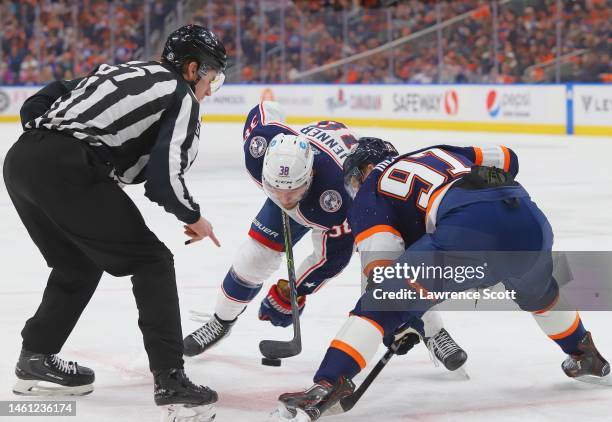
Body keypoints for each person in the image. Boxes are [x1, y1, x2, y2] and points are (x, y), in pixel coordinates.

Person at [273, 139, 610, 421]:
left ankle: (328, 383)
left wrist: (403, 316)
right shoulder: (439, 150)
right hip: (530, 220)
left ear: (362, 171)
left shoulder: (371, 189)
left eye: (353, 181)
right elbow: (509, 158)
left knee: (379, 304)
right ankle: (584, 354)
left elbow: (381, 274)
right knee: (540, 294)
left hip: (469, 231)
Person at [3, 24, 226, 418]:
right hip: (70, 169)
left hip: (21, 161)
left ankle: (35, 358)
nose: (210, 89)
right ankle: (171, 381)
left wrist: (45, 143)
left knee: (77, 264)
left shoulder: (123, 71)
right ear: (192, 69)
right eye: (213, 78)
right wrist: (193, 217)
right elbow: (164, 177)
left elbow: (48, 95)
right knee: (152, 261)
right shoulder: (181, 95)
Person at [183, 102, 467, 372]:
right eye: (275, 189)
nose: (284, 199)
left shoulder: (340, 197)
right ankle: (221, 320)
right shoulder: (260, 146)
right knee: (253, 257)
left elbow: (332, 257)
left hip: (333, 193)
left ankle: (433, 331)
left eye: (293, 191)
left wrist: (293, 289)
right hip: (312, 160)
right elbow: (265, 111)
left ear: (311, 175)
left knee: (388, 269)